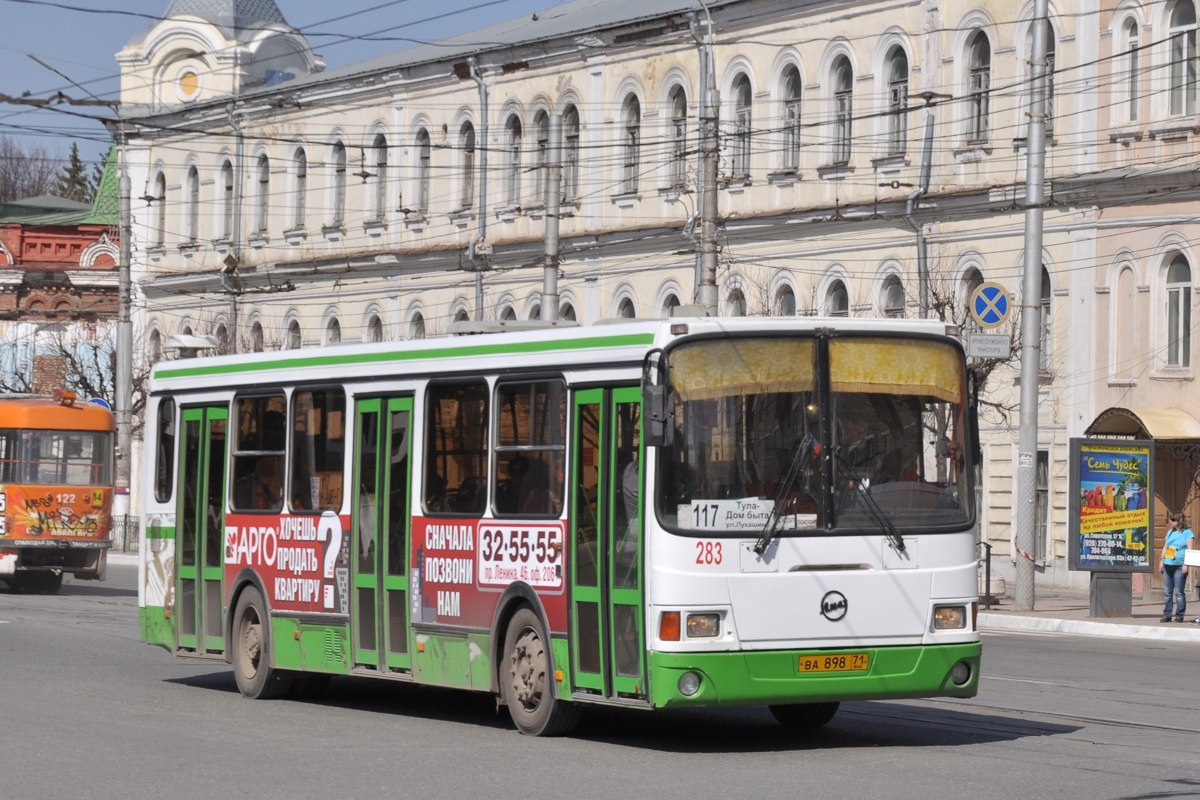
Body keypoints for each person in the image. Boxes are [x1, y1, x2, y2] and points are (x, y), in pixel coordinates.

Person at [1160, 512, 1192, 623]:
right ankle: (1167, 614)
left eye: (1172, 520)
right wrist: (1161, 561)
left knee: (1179, 592)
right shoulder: (1170, 532)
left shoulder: (1188, 533)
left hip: (1179, 565)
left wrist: (1186, 565)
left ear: (1178, 521)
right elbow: (1165, 547)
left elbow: (1189, 550)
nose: (1170, 522)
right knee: (1167, 592)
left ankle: (1179, 615)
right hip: (1168, 564)